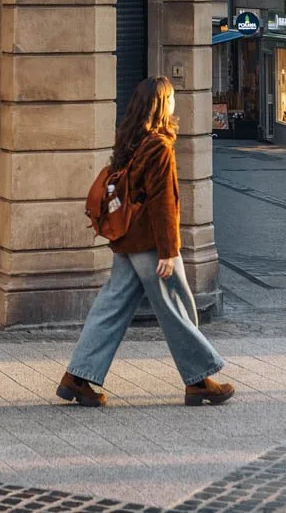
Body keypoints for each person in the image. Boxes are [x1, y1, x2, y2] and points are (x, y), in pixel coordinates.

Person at [56, 76, 234, 409]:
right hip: (150, 244)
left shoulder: (130, 141)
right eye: (170, 98)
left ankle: (77, 377)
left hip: (126, 239)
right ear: (161, 105)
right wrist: (168, 251)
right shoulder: (159, 146)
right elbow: (162, 202)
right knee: (176, 306)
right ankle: (199, 381)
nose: (174, 103)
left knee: (111, 306)